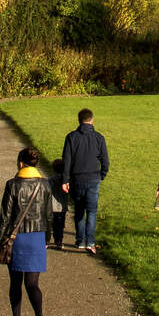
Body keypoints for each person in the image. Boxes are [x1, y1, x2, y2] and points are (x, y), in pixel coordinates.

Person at [0, 147, 52, 316]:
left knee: (15, 283)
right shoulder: (45, 185)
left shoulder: (13, 185)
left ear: (20, 163)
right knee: (32, 283)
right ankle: (39, 315)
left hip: (16, 238)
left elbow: (5, 218)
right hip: (37, 236)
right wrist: (47, 239)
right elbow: (49, 215)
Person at [60, 107, 109, 252]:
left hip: (77, 178)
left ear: (79, 120)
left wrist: (65, 180)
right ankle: (90, 242)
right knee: (92, 211)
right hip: (93, 178)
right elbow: (105, 161)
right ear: (92, 120)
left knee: (79, 210)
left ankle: (80, 240)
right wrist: (102, 175)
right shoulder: (99, 138)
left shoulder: (71, 137)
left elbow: (66, 160)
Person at [47, 157, 69, 250]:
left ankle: (46, 241)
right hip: (61, 206)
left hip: (51, 205)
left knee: (49, 225)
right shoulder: (65, 180)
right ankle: (58, 241)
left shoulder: (50, 179)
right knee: (59, 226)